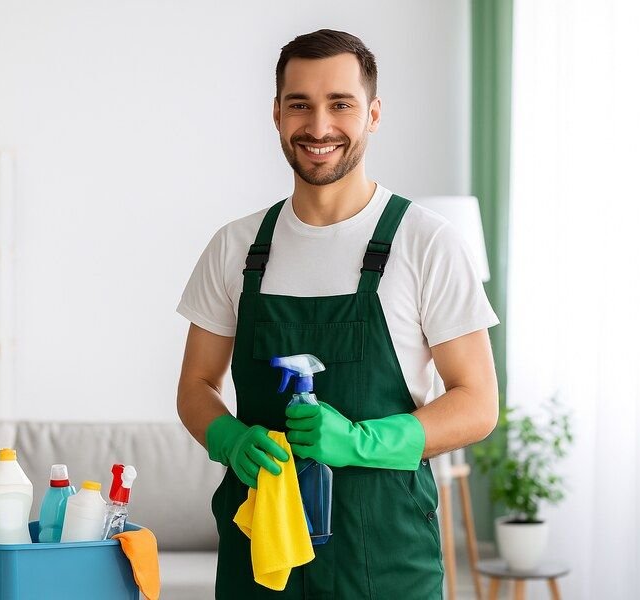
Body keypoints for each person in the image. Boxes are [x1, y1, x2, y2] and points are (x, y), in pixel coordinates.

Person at [176, 29, 499, 599]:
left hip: (386, 557)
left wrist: (360, 442)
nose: (318, 126)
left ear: (373, 114)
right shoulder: (235, 247)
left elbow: (477, 404)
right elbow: (196, 386)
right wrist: (228, 438)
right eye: (300, 104)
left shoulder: (426, 243)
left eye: (340, 104)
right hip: (260, 560)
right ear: (277, 114)